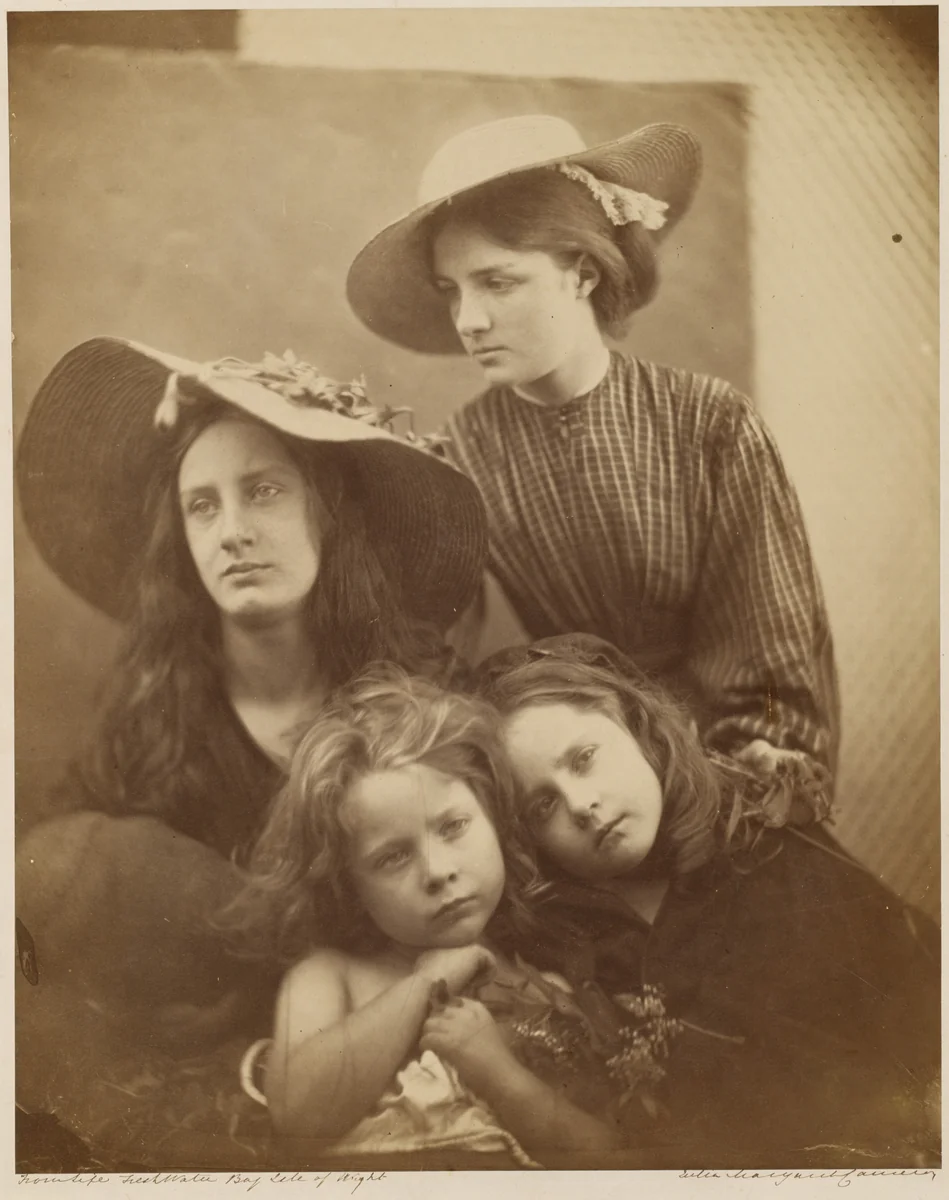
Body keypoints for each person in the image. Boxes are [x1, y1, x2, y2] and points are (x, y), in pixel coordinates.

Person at [15, 337, 487, 1170]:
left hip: (407, 1034)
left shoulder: (415, 691)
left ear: (326, 513)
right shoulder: (157, 713)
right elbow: (47, 899)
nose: (232, 533)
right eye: (202, 506)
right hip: (222, 1051)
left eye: (263, 492)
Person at [347, 113, 840, 791]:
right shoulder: (460, 453)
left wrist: (734, 782)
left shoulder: (709, 423)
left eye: (496, 281)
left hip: (726, 773)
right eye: (451, 290)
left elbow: (771, 671)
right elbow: (432, 658)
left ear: (580, 273)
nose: (468, 320)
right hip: (572, 781)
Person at [475, 634, 940, 1168]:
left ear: (638, 728)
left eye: (583, 759)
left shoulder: (768, 846)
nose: (581, 806)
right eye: (543, 805)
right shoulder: (565, 949)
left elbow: (916, 990)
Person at [227, 666, 621, 1169]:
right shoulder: (329, 977)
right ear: (349, 888)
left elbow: (609, 1157)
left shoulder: (546, 990)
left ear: (496, 821)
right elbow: (297, 1117)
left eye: (454, 826)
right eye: (393, 857)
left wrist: (500, 1075)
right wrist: (423, 984)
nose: (437, 871)